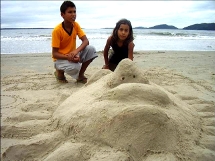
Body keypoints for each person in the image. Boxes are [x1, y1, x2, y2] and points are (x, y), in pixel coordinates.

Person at [52, 1, 98, 83]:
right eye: (70, 12)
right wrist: (69, 57)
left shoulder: (75, 25)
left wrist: (76, 51)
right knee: (76, 67)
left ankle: (80, 76)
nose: (73, 14)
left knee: (91, 49)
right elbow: (54, 54)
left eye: (74, 11)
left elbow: (86, 41)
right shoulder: (57, 30)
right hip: (60, 59)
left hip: (73, 54)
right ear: (62, 15)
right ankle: (59, 72)